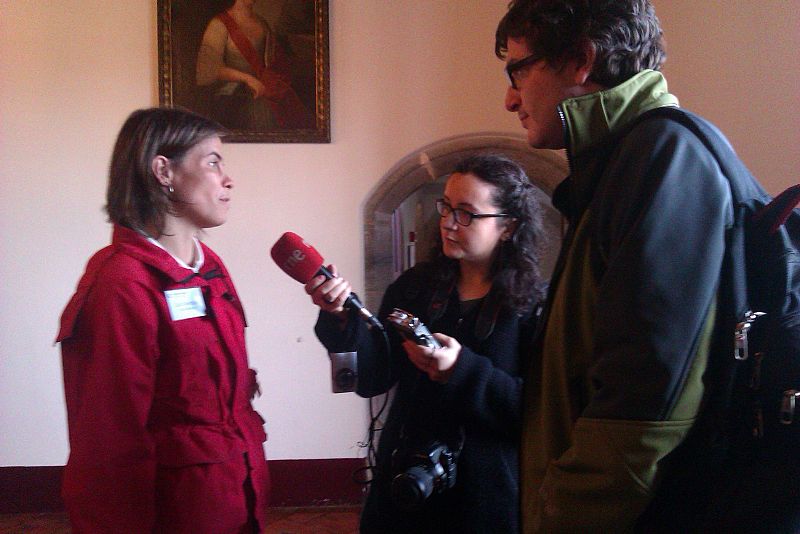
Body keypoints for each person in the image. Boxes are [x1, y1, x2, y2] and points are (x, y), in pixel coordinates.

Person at [495, 1, 768, 531]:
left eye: (518, 71)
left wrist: (558, 515)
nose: (510, 99)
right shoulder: (625, 159)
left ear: (581, 59)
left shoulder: (662, 156)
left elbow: (642, 410)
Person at [56, 107, 270, 533]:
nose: (227, 179)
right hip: (176, 513)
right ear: (163, 171)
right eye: (212, 162)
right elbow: (108, 444)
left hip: (235, 497)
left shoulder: (210, 268)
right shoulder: (121, 284)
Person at [306, 154, 546, 533]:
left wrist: (460, 371)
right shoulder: (415, 287)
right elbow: (371, 379)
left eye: (466, 213)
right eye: (446, 207)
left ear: (508, 226)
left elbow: (539, 415)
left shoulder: (535, 306)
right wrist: (341, 320)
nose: (448, 222)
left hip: (486, 504)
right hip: (406, 491)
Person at [196, 0, 314, 130]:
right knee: (261, 109)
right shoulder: (218, 24)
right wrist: (248, 79)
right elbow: (207, 70)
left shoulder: (262, 24)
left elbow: (273, 62)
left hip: (263, 88)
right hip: (232, 94)